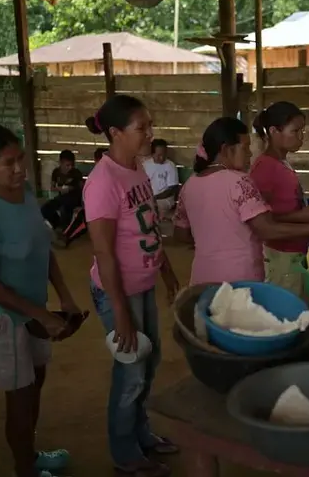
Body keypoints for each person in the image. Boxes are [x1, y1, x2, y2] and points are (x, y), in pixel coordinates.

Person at [0, 123, 86, 477]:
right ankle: (24, 470)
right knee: (19, 401)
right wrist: (40, 315)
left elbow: (42, 249)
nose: (19, 169)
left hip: (34, 314)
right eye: (8, 163)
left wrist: (64, 297)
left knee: (33, 390)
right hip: (5, 320)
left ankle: (30, 456)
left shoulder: (26, 192)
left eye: (20, 159)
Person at [83, 95, 180, 477]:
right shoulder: (102, 182)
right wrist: (120, 313)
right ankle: (124, 454)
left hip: (141, 286)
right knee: (131, 373)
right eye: (142, 128)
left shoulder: (136, 168)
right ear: (114, 133)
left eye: (149, 125)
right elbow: (104, 253)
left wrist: (167, 272)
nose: (150, 134)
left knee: (148, 362)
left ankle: (141, 434)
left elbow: (149, 228)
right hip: (116, 292)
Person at [174, 116, 309, 286]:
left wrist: (213, 244)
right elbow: (267, 230)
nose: (250, 154)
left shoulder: (189, 185)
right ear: (226, 150)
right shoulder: (238, 181)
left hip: (202, 276)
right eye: (245, 148)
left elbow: (180, 235)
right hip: (238, 279)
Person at [249, 101, 309, 295]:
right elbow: (259, 222)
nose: (301, 137)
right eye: (295, 131)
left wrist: (304, 213)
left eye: (302, 130)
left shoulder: (281, 162)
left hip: (292, 249)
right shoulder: (265, 167)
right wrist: (301, 216)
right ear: (274, 132)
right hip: (279, 254)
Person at [57, 147, 108, 248]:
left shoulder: (105, 176)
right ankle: (65, 235)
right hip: (98, 210)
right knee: (81, 215)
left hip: (104, 212)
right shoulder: (97, 176)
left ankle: (66, 237)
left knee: (83, 218)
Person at [40, 149, 83, 232]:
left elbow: (82, 189)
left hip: (74, 198)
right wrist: (59, 189)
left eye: (72, 165)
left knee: (64, 208)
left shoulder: (76, 173)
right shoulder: (56, 172)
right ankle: (53, 223)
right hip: (61, 198)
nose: (70, 167)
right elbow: (52, 188)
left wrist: (71, 188)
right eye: (67, 165)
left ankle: (56, 226)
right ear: (60, 163)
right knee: (45, 209)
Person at [141, 139, 179, 221]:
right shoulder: (145, 165)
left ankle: (163, 215)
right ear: (152, 154)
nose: (162, 158)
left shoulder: (170, 166)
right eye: (158, 155)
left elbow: (172, 189)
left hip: (165, 199)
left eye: (164, 154)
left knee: (152, 207)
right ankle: (163, 216)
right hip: (150, 198)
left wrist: (155, 197)